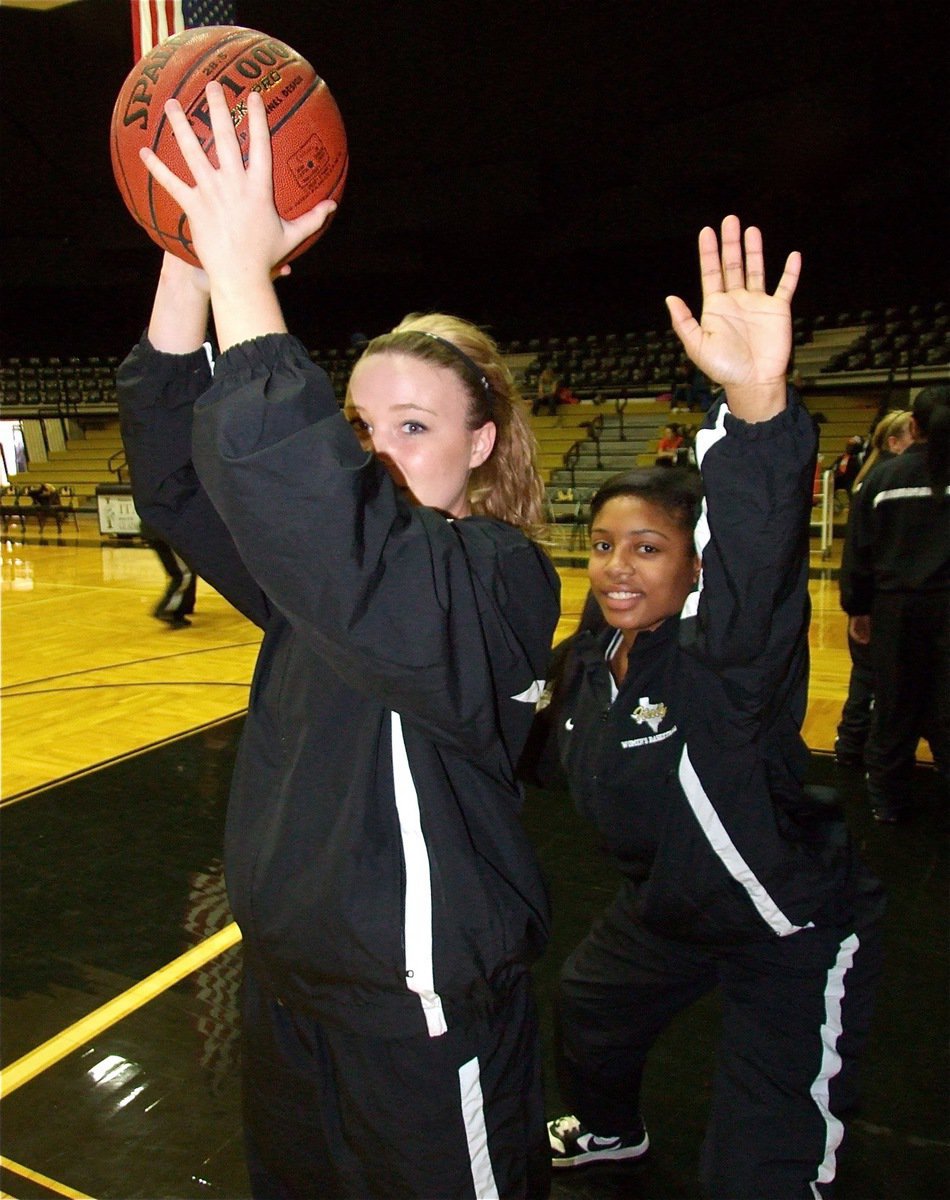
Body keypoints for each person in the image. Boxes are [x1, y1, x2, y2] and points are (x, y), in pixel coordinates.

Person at [117, 82, 560, 1198]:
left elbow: (343, 539)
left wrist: (246, 281)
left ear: (481, 443)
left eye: (412, 428)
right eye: (358, 427)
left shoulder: (495, 579)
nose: (375, 451)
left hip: (415, 1012)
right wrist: (186, 257)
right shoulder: (321, 580)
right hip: (288, 992)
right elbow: (176, 483)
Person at [525, 217, 884, 1198]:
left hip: (788, 928)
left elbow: (760, 551)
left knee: (757, 1171)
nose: (614, 565)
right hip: (668, 912)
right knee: (588, 1007)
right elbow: (510, 741)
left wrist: (754, 402)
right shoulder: (584, 660)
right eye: (602, 543)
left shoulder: (723, 660)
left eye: (645, 547)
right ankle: (606, 1135)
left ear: (691, 566)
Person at [839, 385, 950, 822]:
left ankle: (887, 800)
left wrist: (858, 608)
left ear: (915, 426)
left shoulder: (882, 480)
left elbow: (859, 552)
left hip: (896, 612)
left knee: (894, 705)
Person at [834, 410, 913, 766]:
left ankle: (856, 746)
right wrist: (857, 606)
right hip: (880, 602)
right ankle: (854, 747)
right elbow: (858, 555)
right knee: (870, 679)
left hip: (880, 600)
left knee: (871, 679)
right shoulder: (880, 485)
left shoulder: (874, 481)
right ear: (893, 442)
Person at [142, 522, 197, 627]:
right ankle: (167, 610)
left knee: (189, 569)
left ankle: (183, 606)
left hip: (162, 530)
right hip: (166, 532)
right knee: (184, 574)